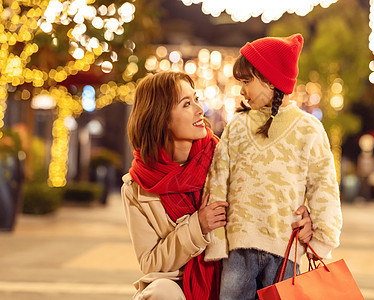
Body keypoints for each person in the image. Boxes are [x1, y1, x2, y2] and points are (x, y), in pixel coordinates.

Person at [121, 71, 313, 300]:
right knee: (160, 293)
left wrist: (303, 219)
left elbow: (272, 200)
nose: (199, 110)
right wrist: (197, 227)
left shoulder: (228, 158)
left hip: (236, 275)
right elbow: (150, 262)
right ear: (160, 117)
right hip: (178, 284)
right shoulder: (137, 187)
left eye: (196, 100)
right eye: (186, 104)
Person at [203, 34, 343, 299]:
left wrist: (321, 237)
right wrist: (217, 241)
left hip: (287, 252)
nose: (241, 90)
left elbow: (324, 187)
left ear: (270, 79)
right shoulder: (237, 127)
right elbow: (217, 184)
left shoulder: (308, 129)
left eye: (246, 81)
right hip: (237, 250)